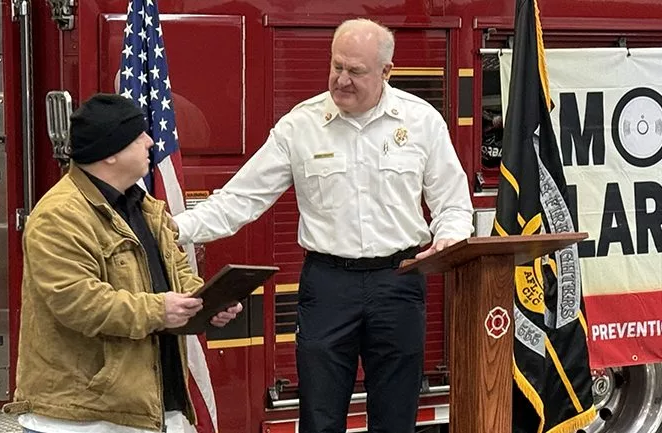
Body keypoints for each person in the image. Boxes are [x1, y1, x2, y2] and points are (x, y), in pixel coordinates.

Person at [172, 18, 474, 433]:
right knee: (319, 415)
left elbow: (454, 205)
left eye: (356, 71)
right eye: (337, 67)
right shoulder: (301, 126)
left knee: (397, 415)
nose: (342, 80)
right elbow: (241, 199)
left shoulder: (421, 122)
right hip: (329, 284)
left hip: (399, 281)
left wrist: (450, 241)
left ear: (387, 71)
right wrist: (170, 229)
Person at [2, 93, 242, 433]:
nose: (149, 141)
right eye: (137, 136)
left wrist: (207, 302)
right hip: (81, 418)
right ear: (111, 152)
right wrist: (160, 310)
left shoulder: (146, 208)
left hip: (150, 409)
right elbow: (77, 302)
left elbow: (179, 275)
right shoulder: (58, 216)